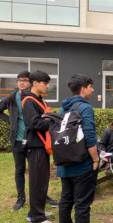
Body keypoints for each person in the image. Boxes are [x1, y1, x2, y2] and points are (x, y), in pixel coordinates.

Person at [0, 71, 59, 212]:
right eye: (19, 80)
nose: (21, 82)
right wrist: (11, 122)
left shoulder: (35, 99)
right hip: (18, 140)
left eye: (24, 80)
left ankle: (43, 197)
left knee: (36, 172)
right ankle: (21, 198)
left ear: (31, 82)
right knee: (20, 169)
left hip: (33, 140)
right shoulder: (12, 97)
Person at [57, 74, 99, 223]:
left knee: (66, 201)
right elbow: (89, 136)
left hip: (65, 163)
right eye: (90, 87)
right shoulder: (85, 108)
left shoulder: (63, 108)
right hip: (82, 165)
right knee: (82, 205)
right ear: (83, 89)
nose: (92, 90)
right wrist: (95, 159)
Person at [21, 70, 53, 223]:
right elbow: (34, 124)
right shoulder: (29, 101)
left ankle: (35, 212)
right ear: (35, 83)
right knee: (37, 182)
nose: (47, 86)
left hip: (42, 145)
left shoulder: (39, 100)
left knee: (42, 181)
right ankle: (37, 218)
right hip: (35, 146)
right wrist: (53, 123)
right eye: (44, 83)